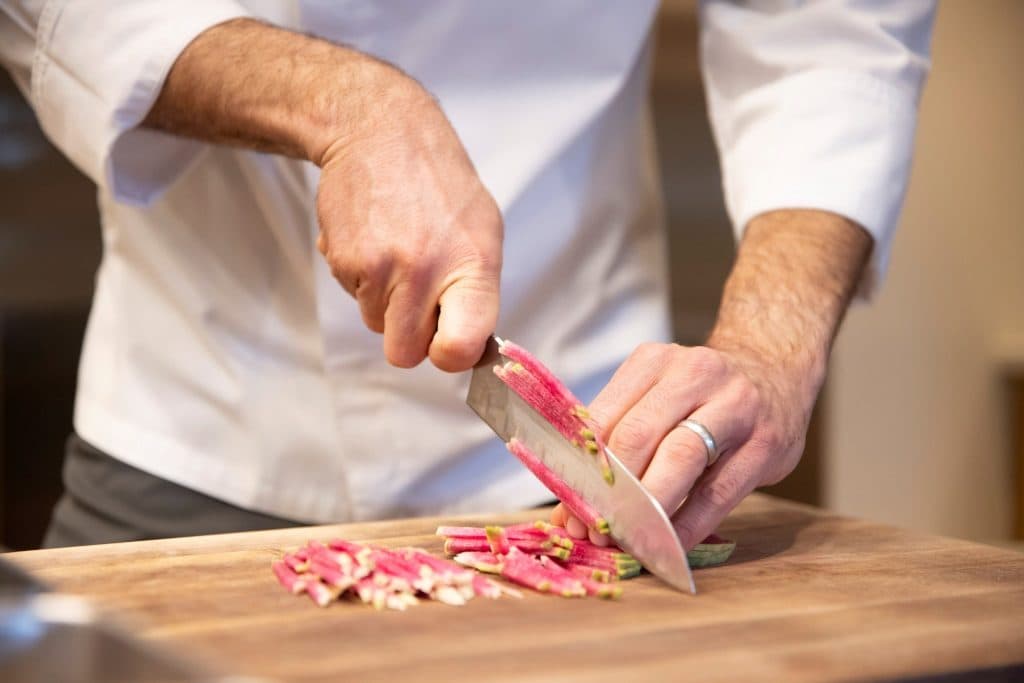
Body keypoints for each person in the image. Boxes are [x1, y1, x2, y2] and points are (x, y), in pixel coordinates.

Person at [0, 1, 936, 548]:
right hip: (199, 416)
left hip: (594, 449)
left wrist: (774, 345)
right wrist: (350, 106)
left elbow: (827, 24)